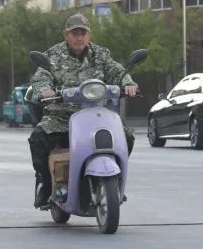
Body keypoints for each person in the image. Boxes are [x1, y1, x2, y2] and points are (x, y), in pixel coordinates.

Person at [28, 13, 138, 208]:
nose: (79, 37)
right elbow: (41, 77)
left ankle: (115, 180)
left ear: (89, 35)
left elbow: (117, 71)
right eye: (75, 33)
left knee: (126, 136)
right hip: (61, 116)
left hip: (95, 115)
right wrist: (44, 90)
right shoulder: (52, 55)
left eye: (83, 33)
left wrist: (128, 84)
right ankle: (45, 183)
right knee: (38, 138)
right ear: (65, 34)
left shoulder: (101, 54)